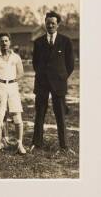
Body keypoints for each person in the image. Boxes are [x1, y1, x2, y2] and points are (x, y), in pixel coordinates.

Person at [30, 11, 75, 154]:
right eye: (48, 23)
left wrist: (61, 77)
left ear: (58, 25)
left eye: (53, 23)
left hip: (59, 84)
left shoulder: (65, 41)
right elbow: (35, 63)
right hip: (42, 83)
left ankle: (64, 146)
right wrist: (44, 76)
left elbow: (70, 64)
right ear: (45, 24)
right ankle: (37, 144)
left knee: (60, 115)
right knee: (40, 114)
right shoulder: (38, 42)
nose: (50, 25)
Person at [0, 33, 26, 154]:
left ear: (10, 42)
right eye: (1, 41)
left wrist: (13, 80)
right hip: (0, 87)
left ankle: (19, 143)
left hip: (12, 87)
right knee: (2, 115)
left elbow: (21, 73)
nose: (4, 43)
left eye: (6, 41)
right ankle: (4, 140)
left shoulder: (16, 57)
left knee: (16, 115)